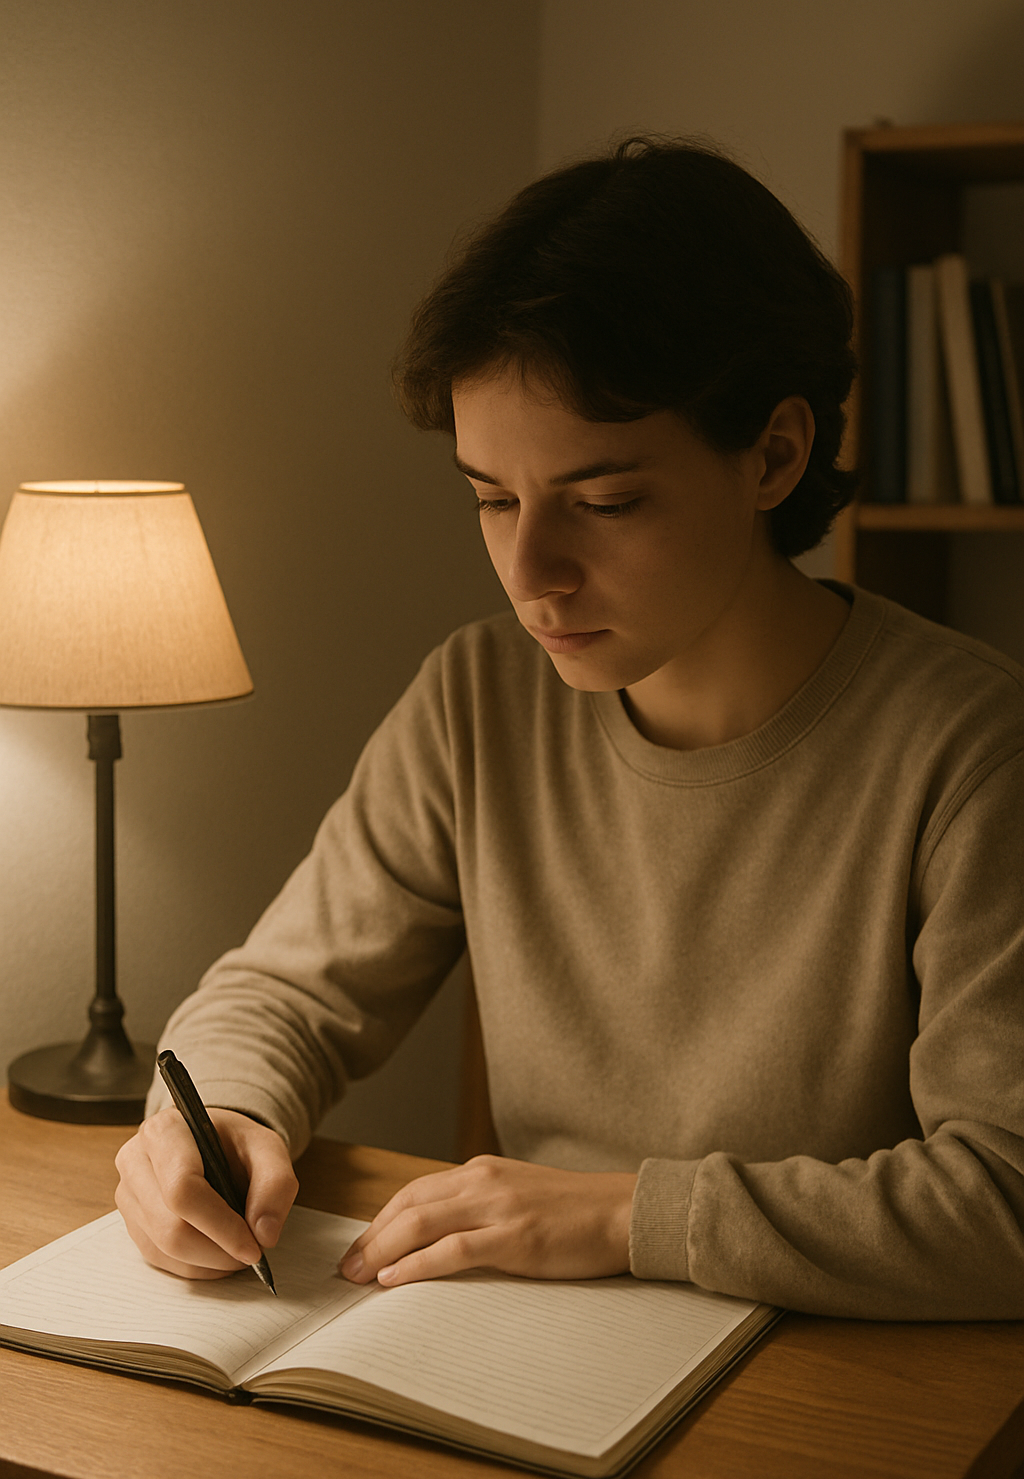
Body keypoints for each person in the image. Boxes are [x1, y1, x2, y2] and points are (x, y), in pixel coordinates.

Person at [114, 135, 1024, 1319]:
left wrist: (623, 1214)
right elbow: (284, 992)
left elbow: (1003, 1195)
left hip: (835, 1365)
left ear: (774, 455)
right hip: (539, 1343)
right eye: (493, 498)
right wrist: (217, 1119)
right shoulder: (478, 697)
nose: (528, 572)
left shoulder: (972, 752)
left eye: (603, 501)